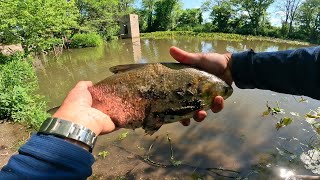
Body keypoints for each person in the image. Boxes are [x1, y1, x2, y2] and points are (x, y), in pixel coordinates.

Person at [0, 46, 319, 179]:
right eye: (221, 90)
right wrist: (234, 66)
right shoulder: (213, 84)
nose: (224, 93)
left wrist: (62, 135)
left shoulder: (207, 87)